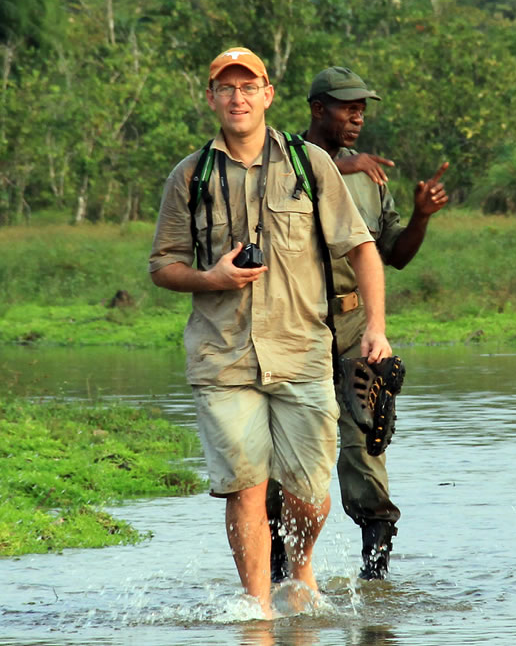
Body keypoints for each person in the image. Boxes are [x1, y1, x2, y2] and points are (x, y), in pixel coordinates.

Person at [148, 47, 394, 618]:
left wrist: (376, 329)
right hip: (223, 357)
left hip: (303, 351)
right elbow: (162, 265)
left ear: (267, 95)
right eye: (226, 88)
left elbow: (363, 249)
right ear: (211, 98)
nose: (237, 98)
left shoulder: (310, 164)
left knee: (308, 492)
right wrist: (210, 278)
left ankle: (301, 570)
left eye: (247, 87)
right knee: (246, 487)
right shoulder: (191, 175)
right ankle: (256, 608)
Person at [265, 66, 450, 582]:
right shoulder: (276, 162)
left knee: (366, 443)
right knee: (281, 457)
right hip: (292, 327)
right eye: (348, 108)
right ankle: (280, 576)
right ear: (317, 108)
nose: (358, 118)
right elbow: (295, 173)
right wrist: (343, 165)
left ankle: (375, 580)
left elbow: (395, 255)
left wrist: (421, 216)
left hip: (351, 328)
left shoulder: (370, 179)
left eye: (362, 109)